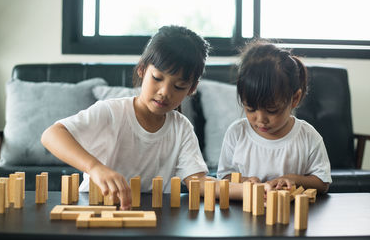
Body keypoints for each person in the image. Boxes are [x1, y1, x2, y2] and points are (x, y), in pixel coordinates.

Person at [41, 25, 210, 209]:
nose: (164, 92)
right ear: (142, 70)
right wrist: (94, 167)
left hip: (154, 219)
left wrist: (243, 188)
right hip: (97, 208)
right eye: (157, 78)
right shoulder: (112, 111)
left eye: (178, 86)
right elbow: (51, 134)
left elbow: (198, 182)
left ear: (191, 89)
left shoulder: (182, 128)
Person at [217, 40, 332, 194]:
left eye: (272, 111)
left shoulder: (308, 136)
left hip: (291, 215)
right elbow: (224, 178)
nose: (260, 119)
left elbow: (323, 183)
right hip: (244, 214)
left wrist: (294, 179)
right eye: (250, 109)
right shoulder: (237, 133)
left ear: (295, 99)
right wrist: (245, 181)